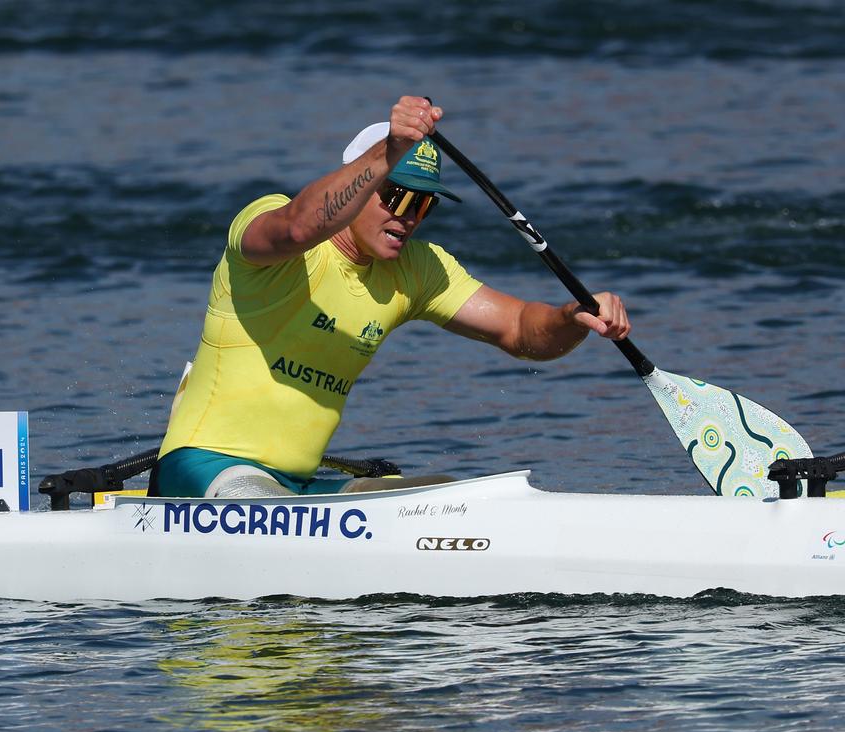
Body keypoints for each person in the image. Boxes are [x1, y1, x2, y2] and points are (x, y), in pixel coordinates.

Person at [148, 96, 630, 498]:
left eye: (424, 204)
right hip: (203, 472)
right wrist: (389, 151)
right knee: (266, 504)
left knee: (447, 499)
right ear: (362, 182)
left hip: (295, 489)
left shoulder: (417, 269)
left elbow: (522, 330)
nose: (408, 216)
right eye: (396, 196)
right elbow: (299, 225)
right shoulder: (270, 230)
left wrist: (574, 315)